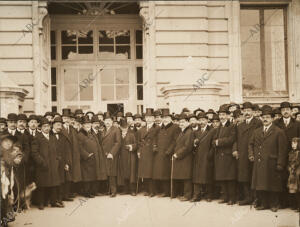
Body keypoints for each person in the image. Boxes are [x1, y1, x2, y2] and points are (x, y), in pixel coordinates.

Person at [249, 106, 288, 212]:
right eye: (263, 117)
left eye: (267, 117)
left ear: (272, 119)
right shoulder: (256, 131)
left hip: (272, 162)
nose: (265, 119)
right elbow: (250, 144)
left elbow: (282, 150)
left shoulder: (278, 131)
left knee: (273, 185)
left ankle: (274, 204)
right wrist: (251, 154)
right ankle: (264, 203)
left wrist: (280, 163)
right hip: (259, 162)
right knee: (261, 185)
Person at [232, 102, 262, 206]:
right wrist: (235, 149)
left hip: (253, 153)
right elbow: (235, 139)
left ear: (253, 112)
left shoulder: (258, 123)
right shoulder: (240, 125)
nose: (247, 113)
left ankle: (256, 198)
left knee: (254, 176)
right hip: (242, 154)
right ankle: (247, 197)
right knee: (243, 177)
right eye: (245, 111)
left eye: (249, 111)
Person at [31, 118, 62, 210]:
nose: (47, 128)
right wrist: (41, 162)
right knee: (42, 185)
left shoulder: (53, 137)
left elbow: (58, 150)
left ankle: (53, 202)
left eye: (48, 126)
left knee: (53, 184)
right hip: (42, 166)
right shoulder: (37, 138)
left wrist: (58, 160)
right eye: (44, 126)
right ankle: (41, 203)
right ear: (40, 128)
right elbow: (34, 153)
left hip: (53, 165)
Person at [274, 101, 300, 208]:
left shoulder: (297, 124)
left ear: (291, 111)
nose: (285, 112)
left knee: (293, 178)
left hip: (293, 156)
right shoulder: (276, 123)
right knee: (281, 178)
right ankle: (283, 202)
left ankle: (294, 203)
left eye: (287, 110)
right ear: (280, 112)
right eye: (283, 110)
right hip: (279, 154)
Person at [212, 105, 237, 205]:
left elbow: (232, 139)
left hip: (227, 155)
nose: (221, 117)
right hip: (219, 155)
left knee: (230, 178)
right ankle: (225, 197)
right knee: (222, 177)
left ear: (227, 115)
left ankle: (232, 198)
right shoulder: (219, 127)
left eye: (223, 115)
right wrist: (215, 142)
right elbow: (213, 140)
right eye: (220, 115)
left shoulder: (231, 126)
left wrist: (218, 142)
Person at [152, 109, 180, 197]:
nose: (165, 119)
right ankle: (164, 191)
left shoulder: (175, 127)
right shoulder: (161, 128)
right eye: (163, 118)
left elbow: (175, 141)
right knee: (161, 174)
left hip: (168, 154)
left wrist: (169, 151)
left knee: (168, 174)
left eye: (167, 117)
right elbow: (155, 139)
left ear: (171, 118)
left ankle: (170, 192)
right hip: (160, 154)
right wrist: (155, 146)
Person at [191, 112, 215, 202]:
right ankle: (196, 195)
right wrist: (193, 145)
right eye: (200, 120)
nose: (201, 122)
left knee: (207, 176)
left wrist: (210, 154)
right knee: (197, 176)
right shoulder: (195, 132)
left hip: (207, 156)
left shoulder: (212, 131)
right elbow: (192, 145)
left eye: (203, 120)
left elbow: (213, 145)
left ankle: (209, 195)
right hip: (197, 156)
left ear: (207, 120)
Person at [77, 116, 102, 198]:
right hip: (86, 159)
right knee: (87, 177)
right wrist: (87, 155)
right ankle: (86, 192)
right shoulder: (80, 134)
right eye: (86, 124)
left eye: (89, 124)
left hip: (93, 158)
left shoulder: (91, 133)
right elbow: (79, 147)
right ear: (82, 125)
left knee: (92, 176)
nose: (88, 125)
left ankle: (92, 191)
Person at [172, 113, 194, 201]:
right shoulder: (183, 132)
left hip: (186, 158)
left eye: (183, 122)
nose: (181, 124)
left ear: (188, 122)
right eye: (180, 122)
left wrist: (177, 154)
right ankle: (184, 194)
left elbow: (187, 147)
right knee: (184, 176)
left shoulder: (189, 132)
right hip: (183, 158)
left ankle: (187, 195)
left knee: (187, 177)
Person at [137, 108, 159, 196]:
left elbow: (158, 140)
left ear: (154, 118)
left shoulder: (157, 128)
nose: (149, 119)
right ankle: (146, 190)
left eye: (151, 117)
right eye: (147, 117)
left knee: (151, 172)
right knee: (144, 172)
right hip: (143, 152)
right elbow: (138, 141)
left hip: (152, 152)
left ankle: (152, 191)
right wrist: (139, 151)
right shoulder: (141, 129)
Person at [102, 112, 121, 197]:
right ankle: (108, 190)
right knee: (106, 173)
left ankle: (113, 191)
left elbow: (118, 143)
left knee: (112, 173)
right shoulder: (102, 130)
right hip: (103, 154)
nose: (107, 122)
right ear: (103, 121)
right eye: (106, 120)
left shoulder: (116, 129)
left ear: (112, 121)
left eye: (109, 120)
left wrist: (112, 153)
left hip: (112, 155)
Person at [118, 119, 138, 196]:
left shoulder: (131, 134)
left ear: (128, 127)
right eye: (123, 127)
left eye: (126, 127)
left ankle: (132, 190)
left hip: (130, 156)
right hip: (121, 156)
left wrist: (131, 146)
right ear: (120, 127)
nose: (124, 129)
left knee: (131, 173)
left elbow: (136, 144)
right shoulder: (118, 134)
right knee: (123, 173)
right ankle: (125, 190)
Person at [287, 137, 300, 211]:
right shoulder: (291, 152)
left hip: (297, 173)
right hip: (292, 174)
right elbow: (289, 162)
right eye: (292, 143)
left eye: (295, 143)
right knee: (293, 190)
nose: (293, 145)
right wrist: (289, 168)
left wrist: (295, 168)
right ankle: (295, 205)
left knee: (298, 190)